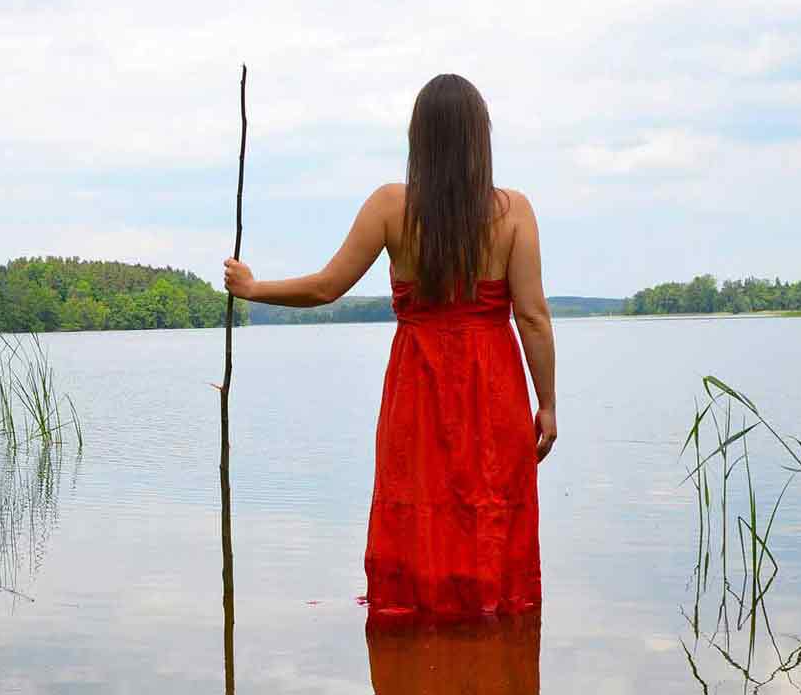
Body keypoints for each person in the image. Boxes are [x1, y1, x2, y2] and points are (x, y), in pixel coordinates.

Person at [222, 73, 557, 620]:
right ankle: (491, 627)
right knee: (490, 502)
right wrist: (546, 404)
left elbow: (326, 287)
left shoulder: (390, 206)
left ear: (418, 139)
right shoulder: (513, 211)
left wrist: (255, 289)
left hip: (418, 380)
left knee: (417, 499)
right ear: (480, 139)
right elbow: (534, 318)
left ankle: (416, 627)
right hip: (492, 382)